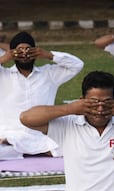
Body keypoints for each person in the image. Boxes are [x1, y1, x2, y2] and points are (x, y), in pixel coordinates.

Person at [0, 31, 84, 160]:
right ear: (12, 53)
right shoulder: (3, 75)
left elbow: (77, 65)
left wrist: (50, 55)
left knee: (76, 145)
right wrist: (3, 59)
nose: (24, 54)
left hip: (42, 135)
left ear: (35, 51)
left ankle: (26, 153)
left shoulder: (48, 74)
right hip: (11, 135)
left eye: (28, 49)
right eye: (19, 50)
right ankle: (34, 152)